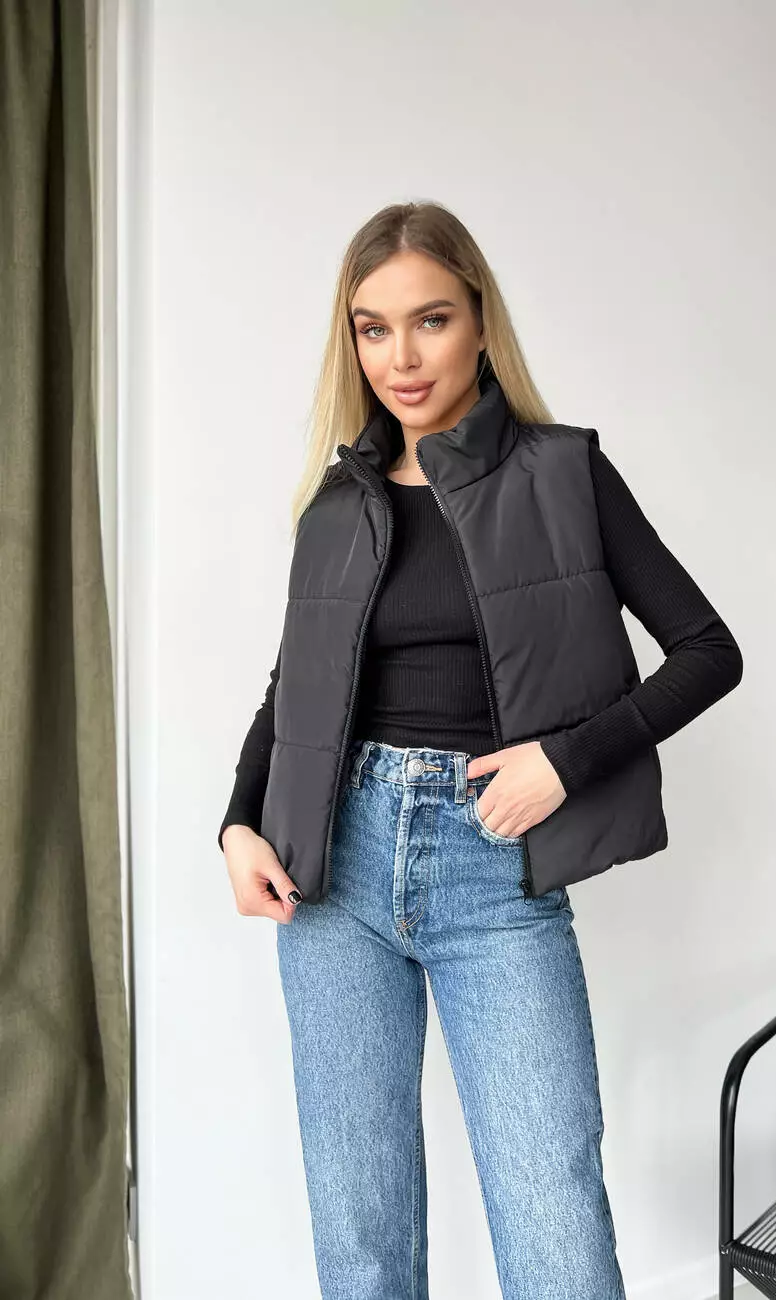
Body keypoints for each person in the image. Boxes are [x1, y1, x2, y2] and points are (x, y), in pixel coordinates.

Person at [218, 201, 743, 1300]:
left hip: (491, 869)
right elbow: (293, 686)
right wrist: (236, 822)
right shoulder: (337, 500)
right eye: (372, 329)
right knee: (359, 1237)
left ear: (479, 322)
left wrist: (563, 761)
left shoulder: (564, 472)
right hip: (330, 873)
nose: (401, 359)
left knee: (555, 1227)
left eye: (430, 320)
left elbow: (708, 651)